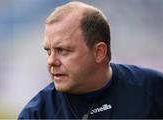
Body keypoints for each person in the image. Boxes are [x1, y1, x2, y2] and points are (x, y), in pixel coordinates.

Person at [18, 1, 163, 119]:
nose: (51, 61)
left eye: (63, 51)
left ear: (99, 52)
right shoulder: (36, 115)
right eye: (48, 51)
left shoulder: (153, 88)